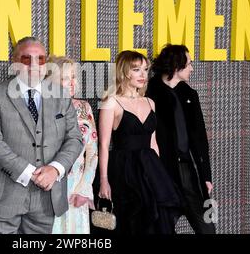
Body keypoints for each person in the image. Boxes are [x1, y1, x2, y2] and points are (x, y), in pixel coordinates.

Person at [0, 36, 83, 234]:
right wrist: (29, 173)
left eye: (41, 59)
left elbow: (75, 139)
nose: (34, 65)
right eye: (26, 59)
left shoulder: (60, 95)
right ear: (14, 62)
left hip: (46, 199)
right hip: (5, 196)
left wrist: (55, 169)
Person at [98, 50, 183, 234]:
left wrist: (160, 175)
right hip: (125, 170)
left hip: (150, 168)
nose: (143, 74)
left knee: (156, 221)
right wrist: (104, 180)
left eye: (145, 69)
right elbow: (104, 145)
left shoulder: (150, 102)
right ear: (124, 71)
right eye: (136, 69)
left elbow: (153, 143)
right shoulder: (110, 102)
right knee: (131, 221)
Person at [146, 44, 216, 234]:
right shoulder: (149, 92)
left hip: (187, 171)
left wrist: (206, 176)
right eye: (189, 63)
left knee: (207, 227)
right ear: (177, 65)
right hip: (161, 170)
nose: (192, 68)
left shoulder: (190, 95)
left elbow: (200, 139)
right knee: (161, 227)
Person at [47, 56, 98, 234]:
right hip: (49, 187)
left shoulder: (84, 107)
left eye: (74, 77)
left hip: (77, 187)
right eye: (65, 78)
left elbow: (93, 151)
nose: (72, 83)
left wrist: (85, 188)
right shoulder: (41, 108)